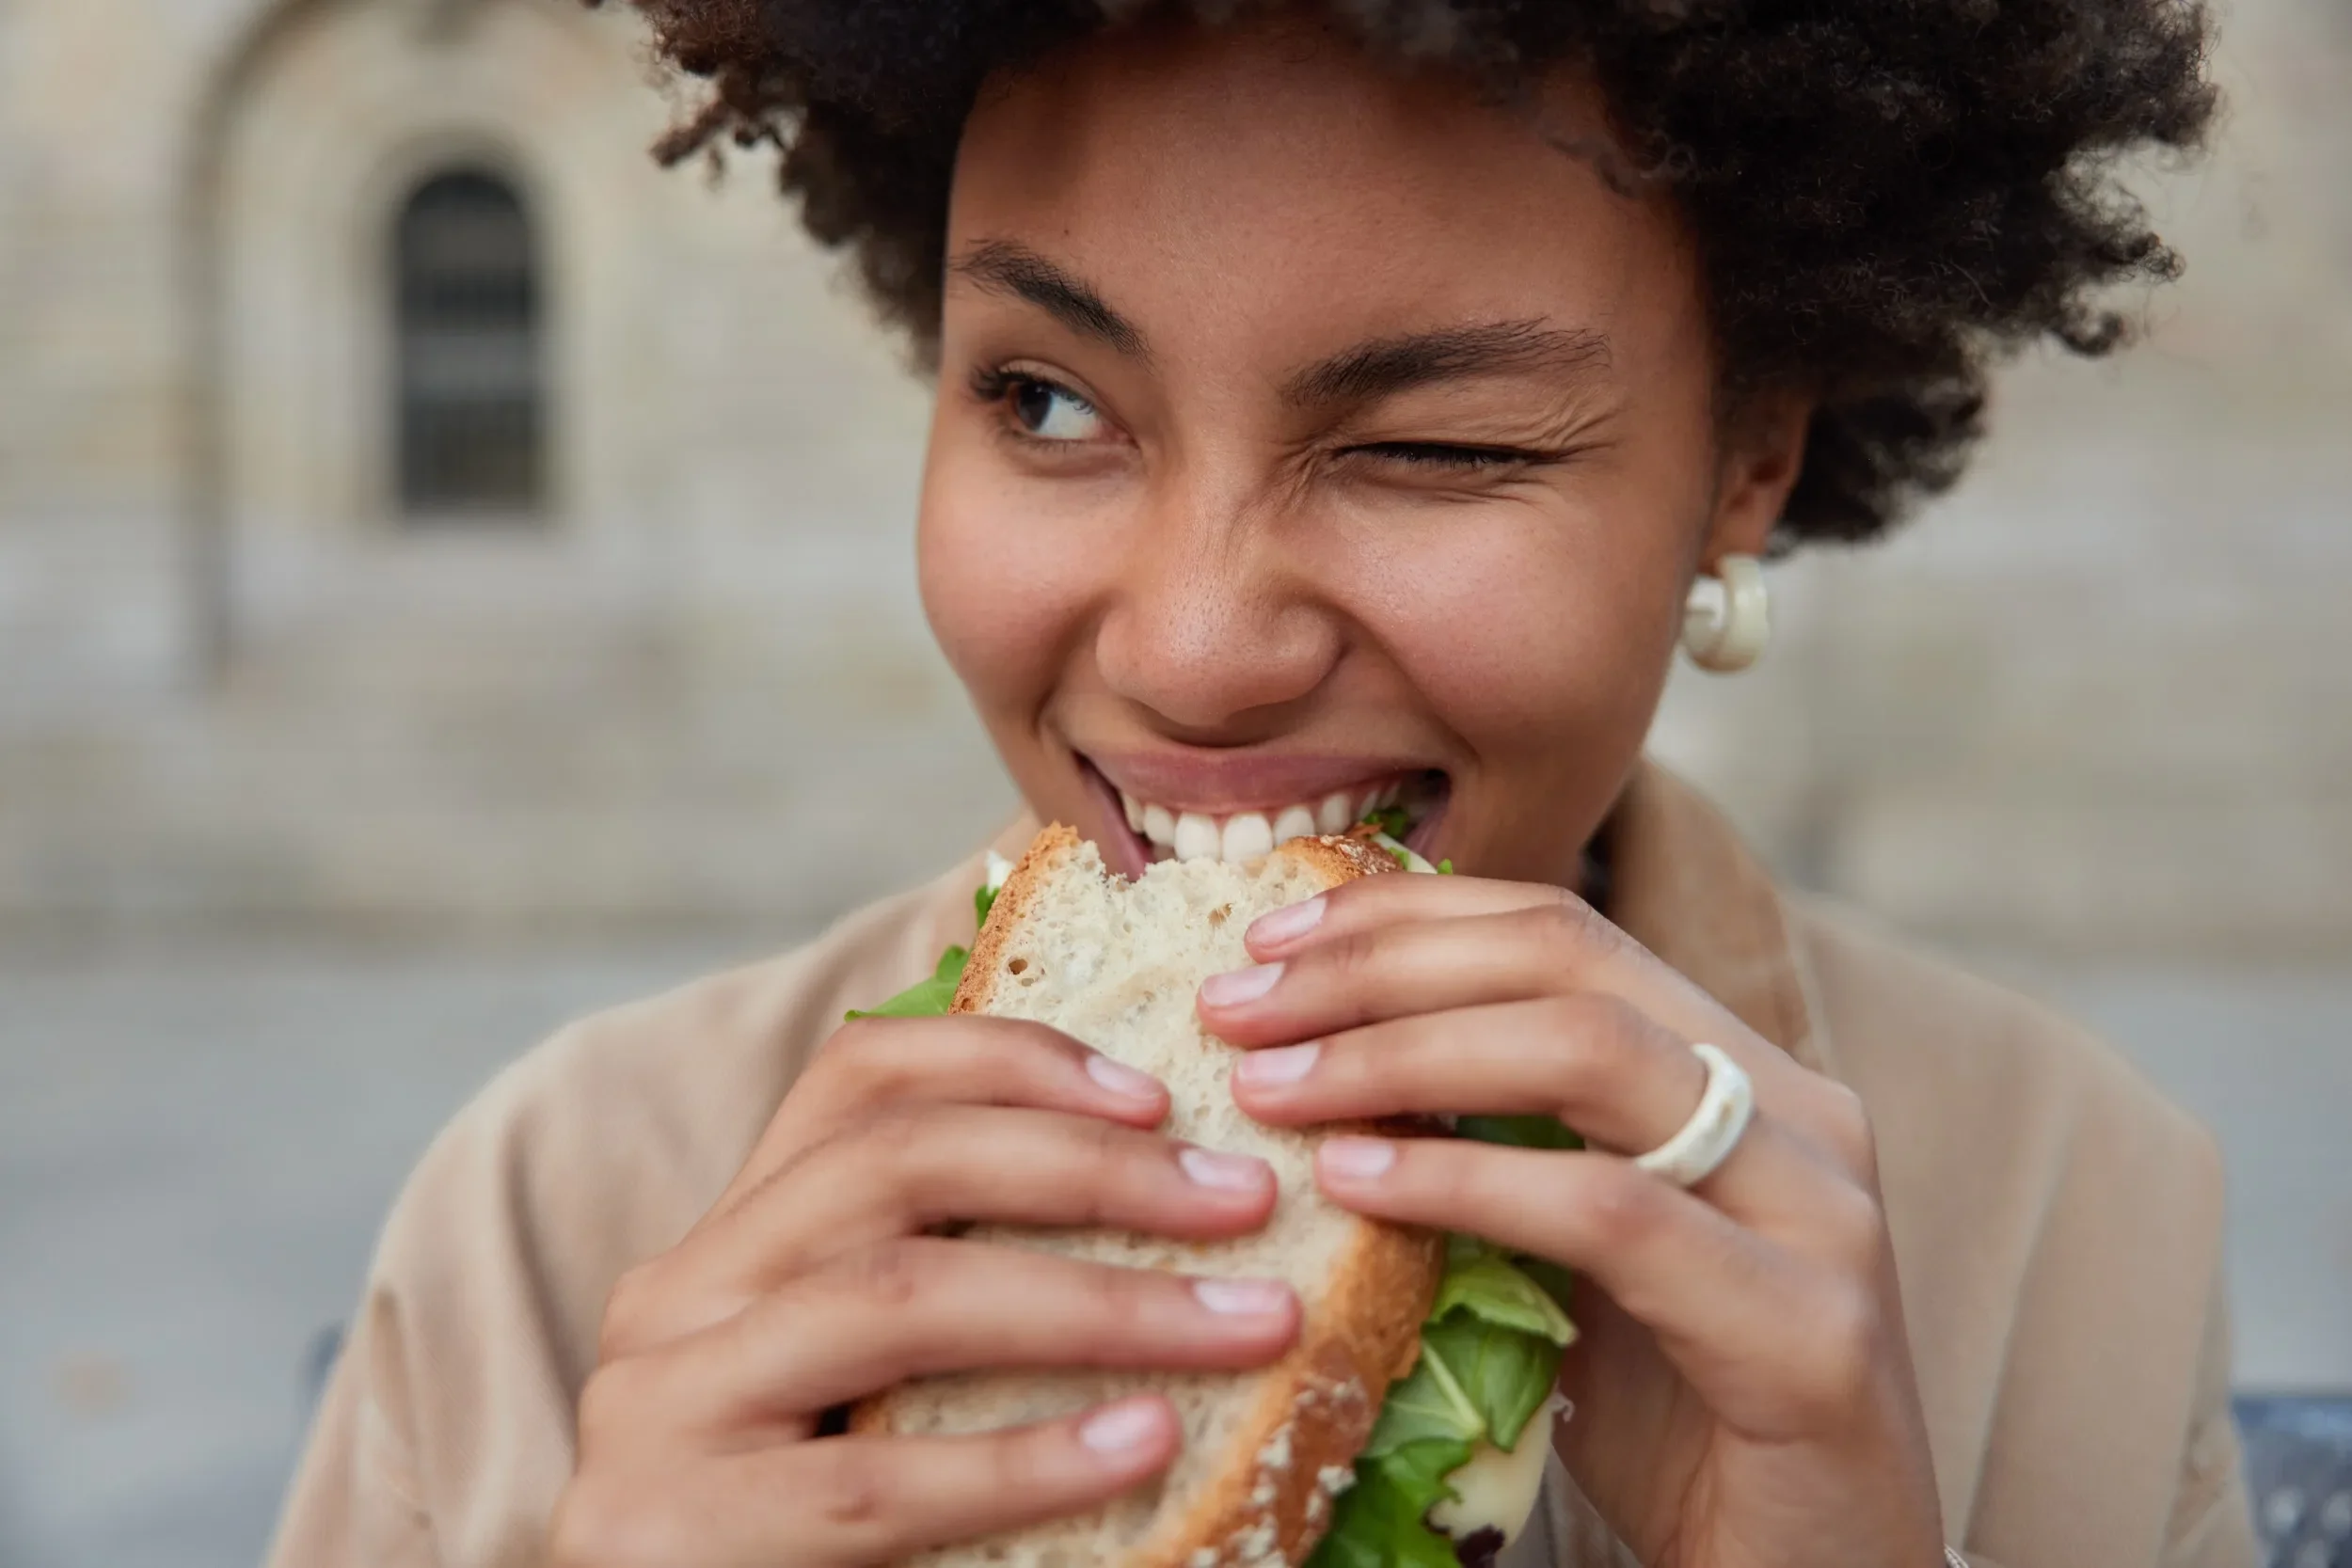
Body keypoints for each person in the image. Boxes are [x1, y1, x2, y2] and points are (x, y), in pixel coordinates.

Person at [266, 5, 2257, 1566]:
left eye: (1439, 448)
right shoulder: (552, 1218)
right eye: (1043, 401)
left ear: (1745, 457)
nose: (1190, 650)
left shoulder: (2076, 1216)